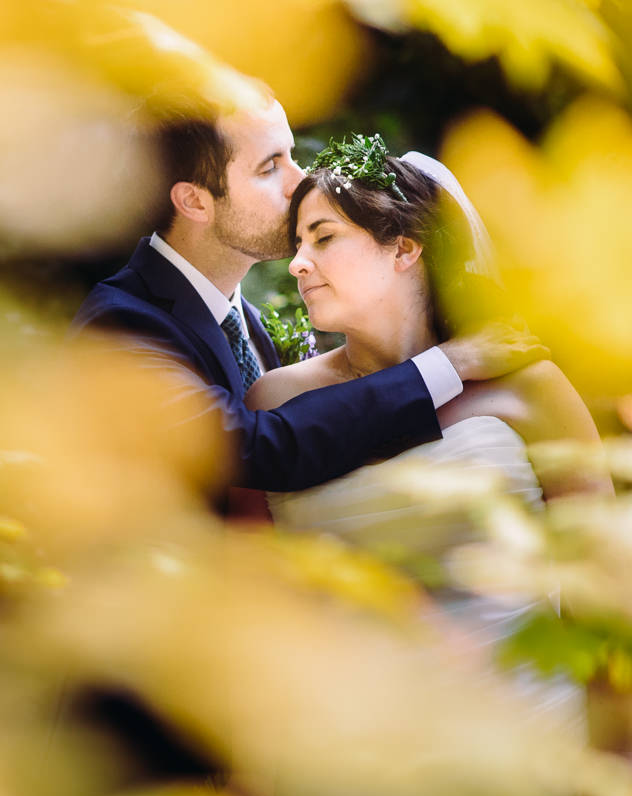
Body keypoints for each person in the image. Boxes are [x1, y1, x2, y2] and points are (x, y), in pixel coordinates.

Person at [247, 137, 609, 731]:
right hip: (351, 760)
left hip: (531, 739)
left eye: (324, 236)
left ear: (404, 249)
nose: (296, 264)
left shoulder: (531, 387)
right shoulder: (278, 402)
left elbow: (604, 590)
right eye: (297, 243)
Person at [73, 85, 541, 495]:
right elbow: (252, 451)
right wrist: (449, 364)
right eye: (269, 166)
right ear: (194, 201)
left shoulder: (246, 323)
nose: (300, 181)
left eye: (291, 154)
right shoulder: (120, 325)